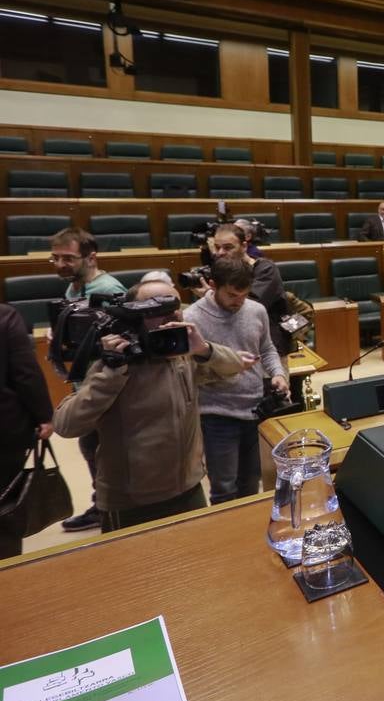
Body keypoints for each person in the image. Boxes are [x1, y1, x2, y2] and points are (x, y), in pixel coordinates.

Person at [52, 278, 251, 532]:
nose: (170, 317)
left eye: (174, 308)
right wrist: (111, 374)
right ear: (134, 315)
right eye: (156, 310)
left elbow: (233, 367)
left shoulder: (182, 354)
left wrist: (204, 348)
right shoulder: (115, 365)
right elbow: (66, 425)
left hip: (189, 490)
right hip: (132, 502)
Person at [184, 256, 289, 505]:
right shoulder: (192, 318)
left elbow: (267, 349)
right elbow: (190, 371)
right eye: (232, 295)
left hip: (254, 410)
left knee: (251, 483)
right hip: (217, 414)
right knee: (223, 487)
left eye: (244, 295)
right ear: (212, 284)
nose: (239, 302)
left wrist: (277, 373)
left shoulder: (256, 310)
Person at [48, 228, 126, 533]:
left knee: (102, 453)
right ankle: (101, 506)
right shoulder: (74, 288)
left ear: (91, 257)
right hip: (86, 385)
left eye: (68, 258)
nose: (60, 264)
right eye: (55, 258)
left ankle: (109, 510)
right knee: (91, 449)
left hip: (106, 389)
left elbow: (118, 340)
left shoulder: (107, 290)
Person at [0, 301, 54, 559]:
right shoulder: (3, 316)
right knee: (5, 507)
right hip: (4, 432)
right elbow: (24, 373)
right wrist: (43, 416)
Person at [209, 223, 292, 356]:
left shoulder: (265, 269)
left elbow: (248, 304)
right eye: (217, 247)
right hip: (234, 345)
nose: (220, 253)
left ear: (244, 246)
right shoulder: (221, 271)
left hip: (267, 348)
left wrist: (211, 296)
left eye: (228, 247)